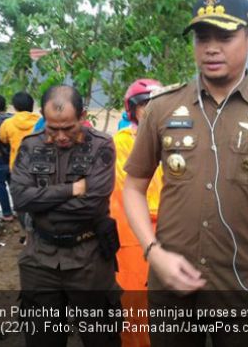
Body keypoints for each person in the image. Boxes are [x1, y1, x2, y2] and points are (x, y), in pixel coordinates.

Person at [123, 0, 248, 347]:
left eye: (225, 36)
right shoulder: (162, 108)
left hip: (244, 290)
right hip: (171, 289)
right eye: (201, 37)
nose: (211, 48)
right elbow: (132, 188)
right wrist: (154, 253)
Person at [10, 85, 120, 347]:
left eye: (68, 128)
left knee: (100, 337)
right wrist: (71, 190)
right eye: (52, 128)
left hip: (88, 257)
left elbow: (92, 205)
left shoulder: (100, 146)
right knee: (41, 338)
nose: (60, 136)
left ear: (82, 116)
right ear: (42, 117)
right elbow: (20, 199)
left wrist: (41, 201)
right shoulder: (30, 146)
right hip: (40, 258)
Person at [111, 78, 164, 347]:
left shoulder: (177, 141)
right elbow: (136, 193)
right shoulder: (122, 142)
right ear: (133, 110)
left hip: (171, 234)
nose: (153, 111)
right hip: (133, 239)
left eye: (158, 105)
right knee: (135, 303)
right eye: (146, 105)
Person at [0, 91, 40, 169]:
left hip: (17, 168)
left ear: (15, 107)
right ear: (32, 105)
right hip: (37, 167)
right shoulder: (41, 122)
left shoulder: (8, 123)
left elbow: (3, 139)